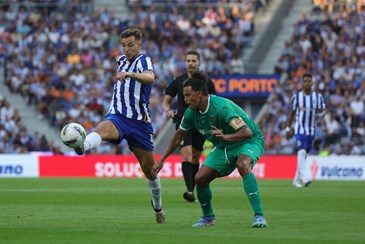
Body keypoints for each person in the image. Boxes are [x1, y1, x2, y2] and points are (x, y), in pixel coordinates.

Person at [66, 28, 165, 223]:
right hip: (118, 115)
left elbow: (150, 78)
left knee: (150, 171)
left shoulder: (143, 61)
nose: (126, 49)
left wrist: (129, 74)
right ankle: (82, 146)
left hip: (139, 123)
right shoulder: (120, 60)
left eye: (130, 45)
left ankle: (158, 206)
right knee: (102, 129)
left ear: (139, 45)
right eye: (124, 46)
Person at [152, 72, 268, 228]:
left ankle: (259, 216)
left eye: (188, 95)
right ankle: (208, 218)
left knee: (243, 164)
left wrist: (226, 137)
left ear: (199, 94)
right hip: (224, 145)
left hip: (249, 141)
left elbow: (246, 132)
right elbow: (178, 136)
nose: (185, 99)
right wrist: (161, 160)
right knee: (200, 178)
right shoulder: (191, 113)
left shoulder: (221, 107)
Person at [162, 50, 216, 203]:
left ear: (199, 63)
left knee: (195, 157)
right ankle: (190, 190)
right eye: (188, 61)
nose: (191, 63)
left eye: (193, 61)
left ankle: (194, 188)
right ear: (185, 63)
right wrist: (167, 111)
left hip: (201, 123)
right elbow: (166, 101)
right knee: (186, 155)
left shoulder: (207, 83)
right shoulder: (178, 81)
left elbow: (213, 101)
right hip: (183, 122)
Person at [285, 73, 326, 188]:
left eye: (309, 81)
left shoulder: (318, 97)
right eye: (305, 81)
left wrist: (320, 116)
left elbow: (324, 111)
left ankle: (296, 180)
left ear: (312, 83)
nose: (307, 83)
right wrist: (288, 128)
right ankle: (306, 177)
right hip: (300, 128)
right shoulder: (296, 97)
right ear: (302, 83)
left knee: (303, 155)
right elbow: (291, 114)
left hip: (311, 130)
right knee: (302, 151)